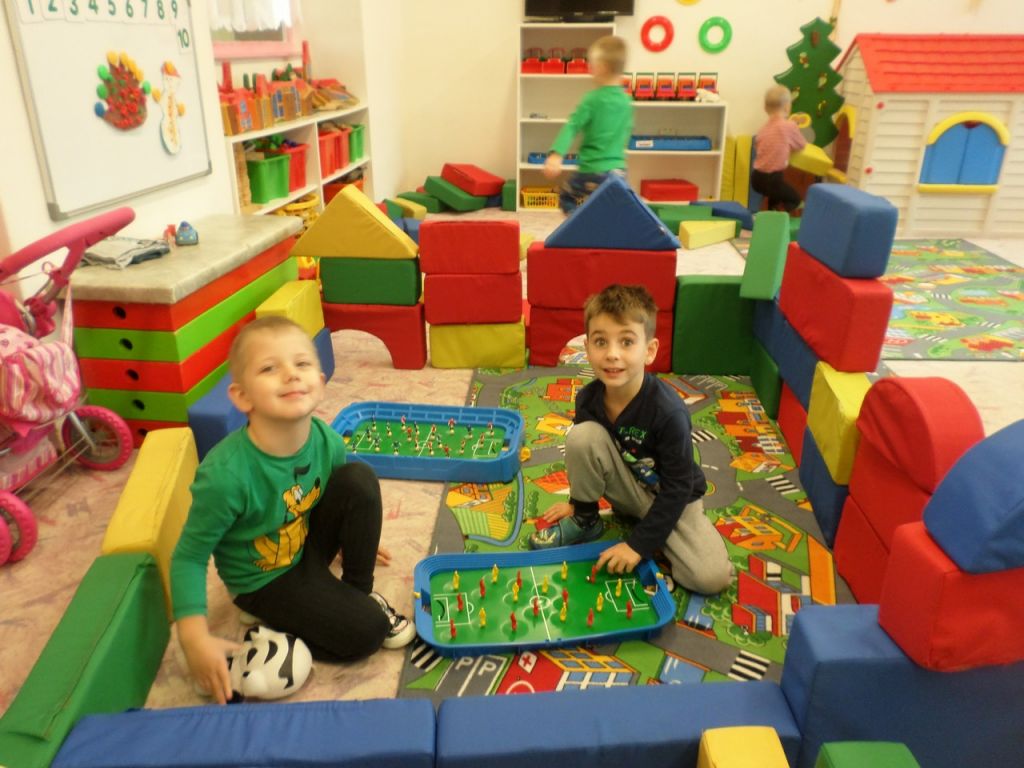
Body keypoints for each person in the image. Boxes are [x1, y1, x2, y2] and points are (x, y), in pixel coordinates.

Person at [171, 316, 415, 705]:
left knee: (359, 477)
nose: (290, 374)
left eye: (302, 363)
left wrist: (355, 537)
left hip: (304, 546)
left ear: (319, 379)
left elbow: (344, 496)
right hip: (264, 582)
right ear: (242, 397)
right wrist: (194, 636)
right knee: (368, 633)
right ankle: (282, 628)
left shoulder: (327, 440)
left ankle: (357, 595)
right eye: (269, 368)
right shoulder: (225, 475)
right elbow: (189, 557)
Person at [528, 285, 734, 596]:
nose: (612, 353)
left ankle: (659, 535)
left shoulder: (669, 412)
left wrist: (637, 546)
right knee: (582, 436)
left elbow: (678, 488)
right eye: (601, 342)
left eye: (626, 341)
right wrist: (578, 505)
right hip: (628, 491)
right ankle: (587, 521)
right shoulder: (588, 399)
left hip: (675, 499)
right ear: (587, 347)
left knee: (712, 578)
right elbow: (588, 453)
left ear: (649, 350)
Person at [543, 35, 633, 214]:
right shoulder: (626, 101)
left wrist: (556, 154)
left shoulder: (591, 100)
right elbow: (626, 133)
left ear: (602, 67)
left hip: (592, 171)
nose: (589, 69)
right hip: (619, 172)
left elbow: (572, 126)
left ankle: (579, 226)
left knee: (566, 196)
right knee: (614, 209)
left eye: (592, 65)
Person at [750, 84, 808, 212]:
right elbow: (801, 145)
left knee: (775, 199)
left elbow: (759, 147)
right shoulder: (789, 126)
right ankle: (789, 214)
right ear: (787, 107)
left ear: (765, 108)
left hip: (756, 178)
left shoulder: (763, 129)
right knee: (795, 199)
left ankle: (774, 214)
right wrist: (795, 128)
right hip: (772, 179)